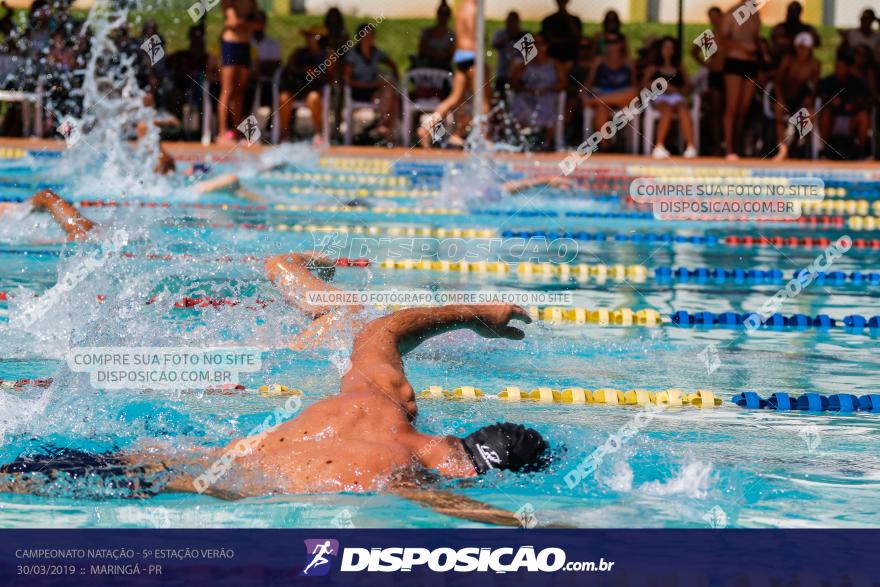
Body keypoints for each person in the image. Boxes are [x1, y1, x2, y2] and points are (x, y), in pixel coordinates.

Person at [0, 251, 552, 527]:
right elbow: (451, 508)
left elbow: (379, 331)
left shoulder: (374, 406)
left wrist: (473, 312)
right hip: (167, 488)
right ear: (476, 470)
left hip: (146, 459)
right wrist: (538, 526)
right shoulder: (401, 477)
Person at [418, 0, 486, 148]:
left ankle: (427, 128)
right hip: (472, 56)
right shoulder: (473, 8)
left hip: (461, 55)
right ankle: (485, 138)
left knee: (455, 98)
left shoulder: (461, 8)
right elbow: (476, 36)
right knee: (483, 99)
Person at [343, 23, 399, 144]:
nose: (368, 39)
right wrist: (369, 85)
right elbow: (347, 80)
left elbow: (392, 64)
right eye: (365, 36)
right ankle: (384, 129)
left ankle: (383, 126)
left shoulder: (376, 52)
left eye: (371, 36)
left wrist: (396, 76)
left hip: (373, 90)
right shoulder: (352, 55)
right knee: (391, 96)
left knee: (392, 92)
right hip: (358, 90)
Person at [719, 0, 761, 160]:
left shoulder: (756, 13)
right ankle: (729, 147)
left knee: (744, 108)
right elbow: (722, 39)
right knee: (732, 107)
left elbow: (756, 38)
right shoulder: (731, 13)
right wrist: (743, 47)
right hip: (735, 63)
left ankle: (738, 144)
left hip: (750, 64)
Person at [581, 33, 636, 152]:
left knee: (633, 93)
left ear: (621, 44)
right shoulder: (599, 61)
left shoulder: (628, 62)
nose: (611, 45)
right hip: (602, 93)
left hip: (621, 96)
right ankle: (605, 147)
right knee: (602, 107)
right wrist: (582, 91)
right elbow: (589, 82)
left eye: (614, 42)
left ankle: (593, 101)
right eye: (608, 42)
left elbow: (634, 85)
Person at [644, 37, 697, 159]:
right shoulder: (653, 68)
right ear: (660, 49)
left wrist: (678, 90)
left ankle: (690, 146)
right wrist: (661, 85)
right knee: (666, 110)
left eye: (671, 48)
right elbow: (643, 85)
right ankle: (659, 145)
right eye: (665, 47)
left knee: (683, 109)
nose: (668, 50)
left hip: (676, 96)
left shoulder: (680, 68)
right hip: (660, 97)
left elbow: (689, 86)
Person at [509, 34, 565, 149]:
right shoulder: (524, 64)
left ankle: (547, 143)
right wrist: (527, 89)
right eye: (533, 44)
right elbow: (513, 83)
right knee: (519, 103)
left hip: (547, 94)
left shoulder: (555, 64)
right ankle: (522, 140)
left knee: (548, 105)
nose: (536, 47)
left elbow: (563, 84)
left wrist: (547, 89)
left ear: (546, 46)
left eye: (539, 44)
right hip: (528, 94)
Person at [772, 31, 820, 161]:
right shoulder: (788, 60)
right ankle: (783, 148)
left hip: (801, 99)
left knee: (810, 114)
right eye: (800, 48)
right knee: (778, 109)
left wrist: (810, 99)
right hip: (785, 97)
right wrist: (780, 98)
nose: (802, 52)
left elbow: (815, 87)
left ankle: (797, 145)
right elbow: (778, 81)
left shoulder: (814, 64)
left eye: (805, 49)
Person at [217, 0, 259, 144]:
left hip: (244, 45)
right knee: (227, 90)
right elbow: (233, 23)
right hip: (230, 44)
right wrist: (246, 24)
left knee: (240, 92)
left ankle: (236, 130)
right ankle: (222, 132)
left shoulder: (252, 2)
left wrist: (242, 24)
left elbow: (259, 24)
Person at [279, 26, 329, 144]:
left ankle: (318, 133)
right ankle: (285, 134)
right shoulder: (299, 52)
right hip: (296, 88)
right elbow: (288, 69)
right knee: (283, 98)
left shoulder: (327, 55)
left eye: (310, 36)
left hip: (313, 89)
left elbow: (330, 79)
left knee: (313, 98)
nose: (307, 39)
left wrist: (315, 74)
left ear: (319, 39)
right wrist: (302, 70)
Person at [818, 52, 871, 159]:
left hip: (851, 120)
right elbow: (821, 100)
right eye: (836, 67)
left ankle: (861, 149)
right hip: (833, 119)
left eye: (840, 67)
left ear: (848, 68)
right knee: (825, 114)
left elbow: (865, 101)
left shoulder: (857, 83)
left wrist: (854, 106)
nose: (837, 69)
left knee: (863, 116)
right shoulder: (828, 81)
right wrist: (831, 102)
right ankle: (825, 150)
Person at [691, 7, 725, 156]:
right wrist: (706, 64)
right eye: (711, 17)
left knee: (730, 111)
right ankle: (717, 145)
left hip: (730, 76)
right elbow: (694, 51)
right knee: (716, 111)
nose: (714, 20)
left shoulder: (728, 34)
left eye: (716, 17)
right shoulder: (709, 35)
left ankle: (730, 144)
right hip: (716, 75)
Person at [540, 0, 582, 65]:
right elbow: (548, 39)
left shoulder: (574, 20)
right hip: (553, 57)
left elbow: (577, 37)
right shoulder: (548, 20)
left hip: (570, 58)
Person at [417, 1, 455, 70]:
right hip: (427, 66)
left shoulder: (452, 35)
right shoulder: (427, 32)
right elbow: (422, 49)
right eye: (440, 13)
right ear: (437, 14)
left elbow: (451, 53)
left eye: (446, 13)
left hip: (443, 67)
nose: (443, 16)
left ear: (449, 16)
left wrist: (434, 54)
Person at [491, 11, 523, 92]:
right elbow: (495, 44)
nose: (512, 24)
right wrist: (508, 37)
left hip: (519, 75)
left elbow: (530, 55)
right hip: (502, 73)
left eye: (514, 21)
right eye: (510, 21)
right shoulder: (501, 33)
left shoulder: (523, 35)